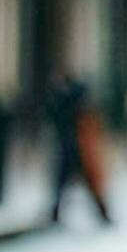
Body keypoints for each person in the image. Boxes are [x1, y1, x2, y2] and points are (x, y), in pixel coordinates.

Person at [46, 75, 111, 225]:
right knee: (73, 183)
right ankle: (102, 214)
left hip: (74, 148)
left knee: (67, 183)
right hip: (75, 149)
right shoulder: (75, 107)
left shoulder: (65, 105)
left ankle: (56, 213)